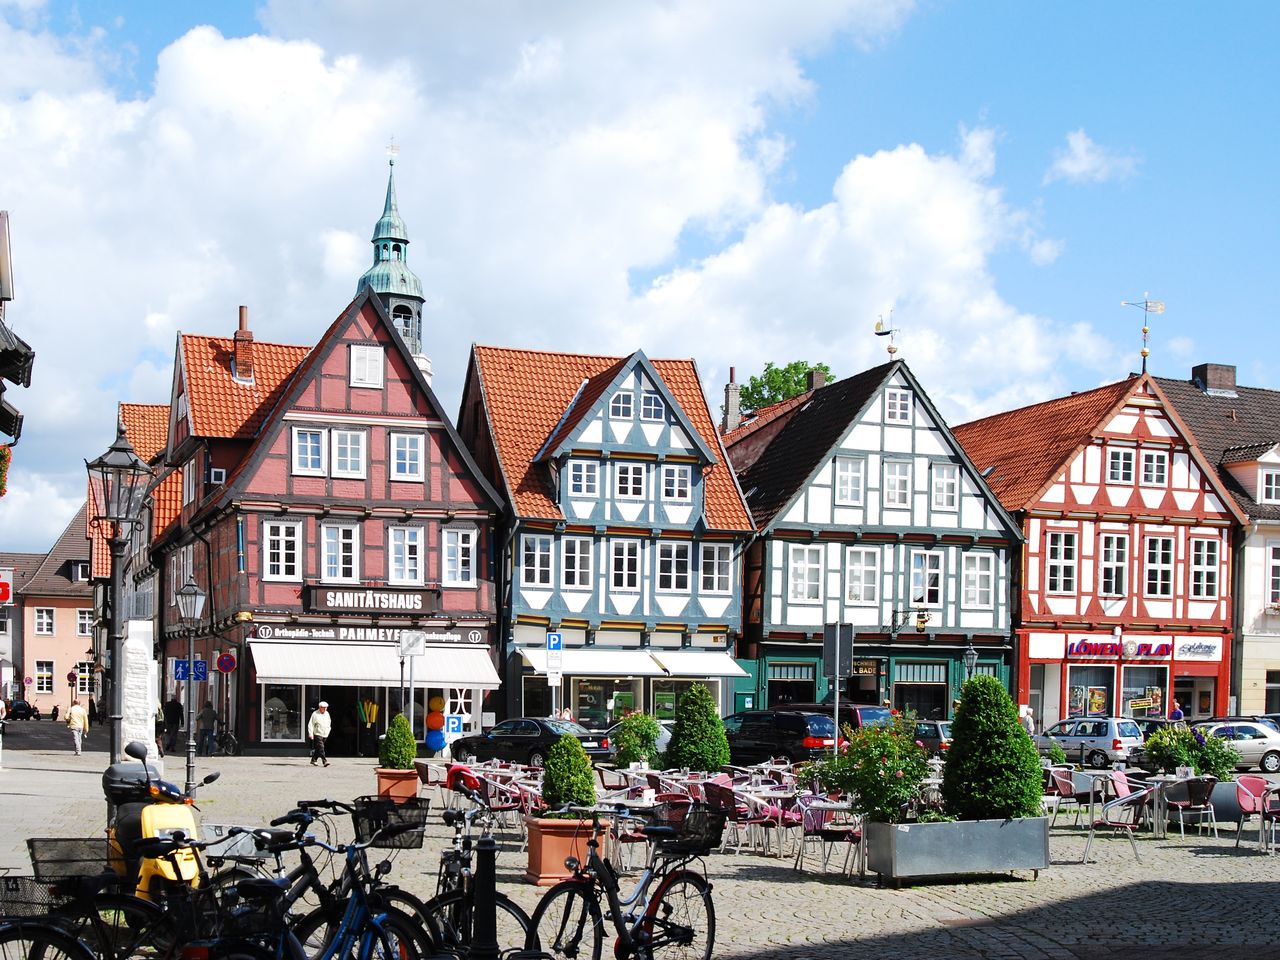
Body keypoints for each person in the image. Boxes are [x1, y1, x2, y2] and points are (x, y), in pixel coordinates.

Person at [307, 701, 331, 767]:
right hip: (318, 733)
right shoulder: (315, 714)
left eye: (326, 707)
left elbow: (329, 722)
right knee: (321, 747)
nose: (325, 709)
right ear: (320, 707)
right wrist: (311, 734)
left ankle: (313, 760)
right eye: (324, 707)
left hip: (325, 733)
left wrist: (328, 730)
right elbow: (311, 724)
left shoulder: (327, 714)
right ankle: (324, 761)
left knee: (318, 747)